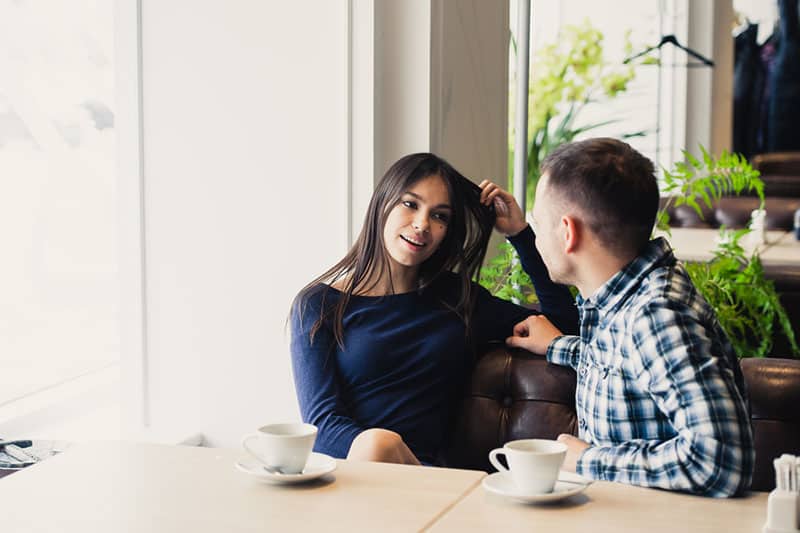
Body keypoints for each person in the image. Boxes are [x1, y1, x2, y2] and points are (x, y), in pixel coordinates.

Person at [290, 152, 577, 466]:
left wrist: (519, 234)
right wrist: (378, 449)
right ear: (382, 204)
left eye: (439, 216)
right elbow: (321, 424)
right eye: (410, 204)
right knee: (378, 444)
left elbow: (562, 320)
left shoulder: (458, 300)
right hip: (350, 472)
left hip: (428, 480)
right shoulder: (318, 305)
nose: (422, 225)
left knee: (380, 444)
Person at [505, 138, 755, 497]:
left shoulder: (656, 315)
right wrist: (561, 346)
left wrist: (589, 459)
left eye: (539, 224)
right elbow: (627, 363)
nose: (537, 236)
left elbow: (722, 459)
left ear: (568, 232)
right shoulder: (625, 300)